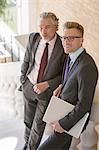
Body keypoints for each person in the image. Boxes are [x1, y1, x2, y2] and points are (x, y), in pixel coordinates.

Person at [38, 21, 98, 150]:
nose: (66, 41)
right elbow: (72, 79)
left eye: (71, 38)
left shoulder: (87, 66)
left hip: (71, 121)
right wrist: (62, 86)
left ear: (82, 40)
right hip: (62, 113)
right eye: (64, 37)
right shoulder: (71, 57)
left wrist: (63, 124)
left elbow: (84, 105)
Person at [20, 12, 66, 150]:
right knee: (28, 122)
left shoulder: (63, 44)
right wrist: (23, 80)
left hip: (46, 93)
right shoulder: (34, 38)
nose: (43, 31)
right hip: (29, 86)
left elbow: (64, 74)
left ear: (56, 27)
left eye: (47, 27)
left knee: (37, 126)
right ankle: (27, 145)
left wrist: (47, 84)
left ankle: (30, 148)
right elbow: (27, 60)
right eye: (40, 27)